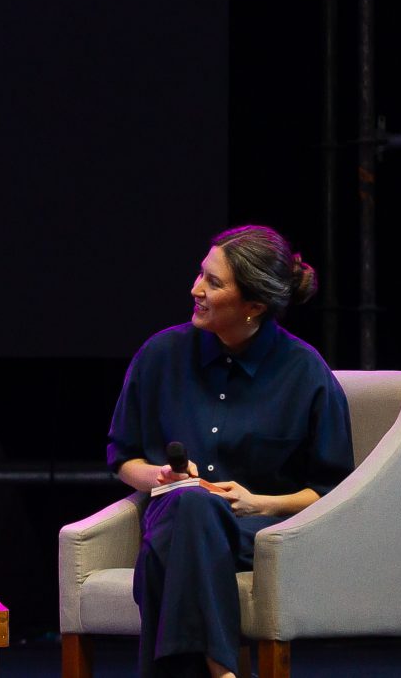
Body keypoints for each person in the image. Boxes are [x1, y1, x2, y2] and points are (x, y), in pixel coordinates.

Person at [105, 224, 354, 678]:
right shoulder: (160, 354)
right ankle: (223, 670)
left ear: (254, 306)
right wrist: (160, 477)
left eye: (213, 283)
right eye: (201, 274)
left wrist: (257, 501)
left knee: (170, 546)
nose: (195, 289)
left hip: (256, 536)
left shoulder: (305, 374)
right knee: (189, 507)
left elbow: (333, 491)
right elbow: (123, 459)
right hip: (173, 517)